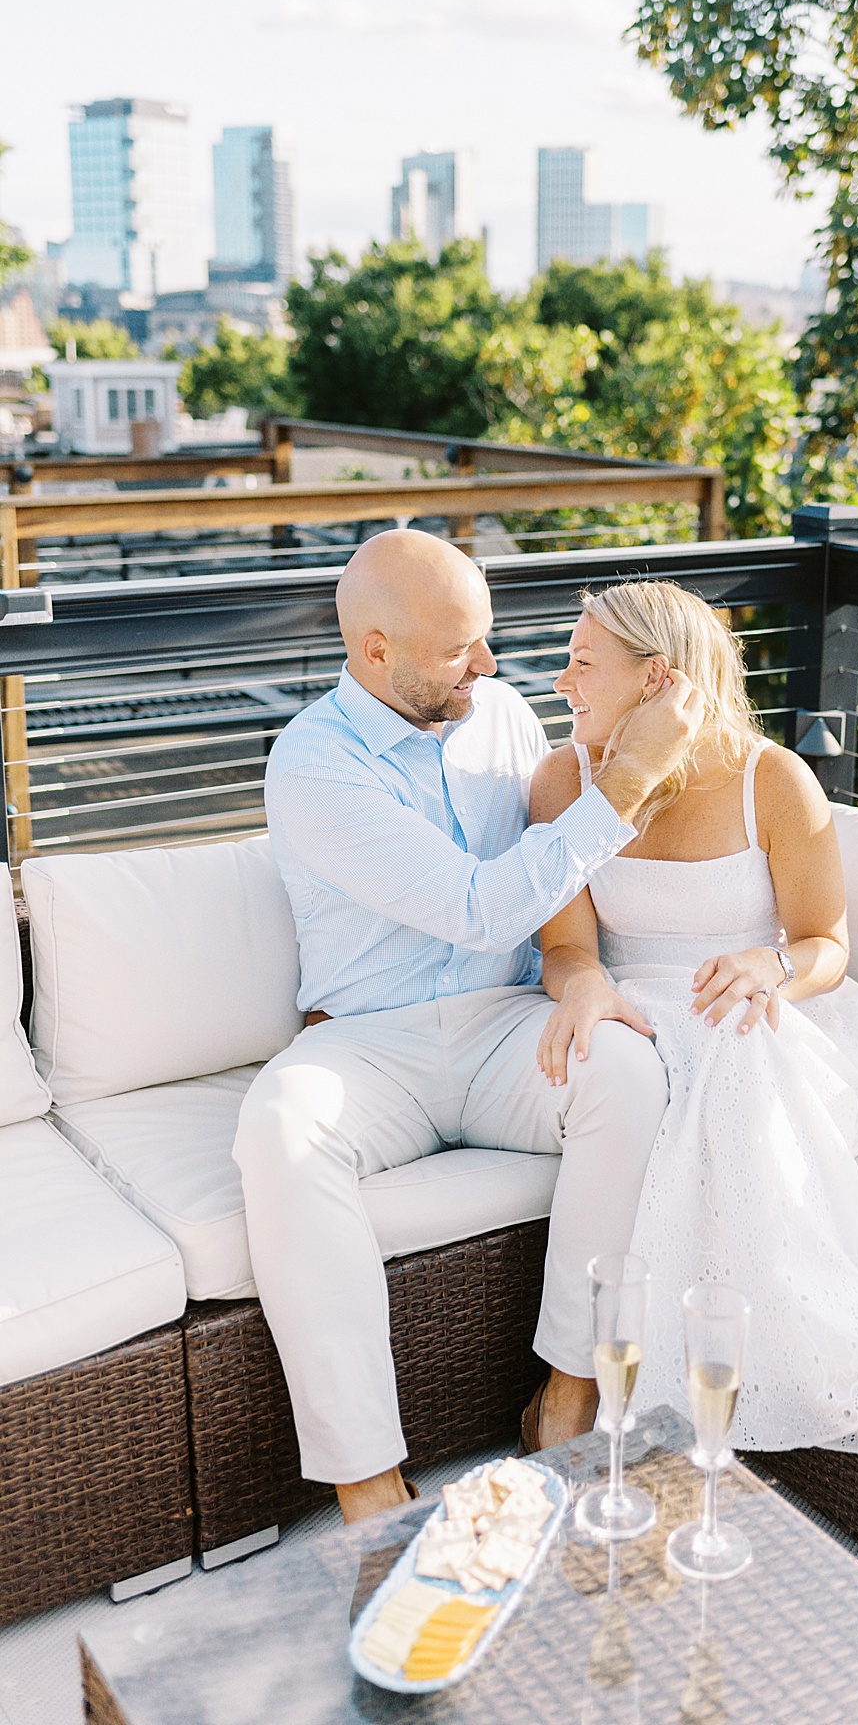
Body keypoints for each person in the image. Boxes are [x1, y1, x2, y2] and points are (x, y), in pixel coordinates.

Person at [234, 531, 704, 1521]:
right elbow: (484, 904)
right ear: (373, 652)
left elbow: (550, 891)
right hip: (370, 1044)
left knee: (625, 1073)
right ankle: (369, 1487)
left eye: (485, 641)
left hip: (505, 1026)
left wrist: (577, 973)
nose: (488, 668)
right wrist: (627, 782)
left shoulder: (499, 717)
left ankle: (566, 1398)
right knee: (278, 1130)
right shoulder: (314, 767)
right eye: (459, 650)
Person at [530, 580, 858, 1456]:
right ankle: (695, 1398)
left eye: (582, 663)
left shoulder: (773, 780)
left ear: (656, 680)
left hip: (769, 1015)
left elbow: (824, 946)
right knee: (700, 1050)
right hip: (641, 1011)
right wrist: (578, 984)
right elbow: (568, 950)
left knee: (733, 1042)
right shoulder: (561, 779)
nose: (559, 682)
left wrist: (770, 967)